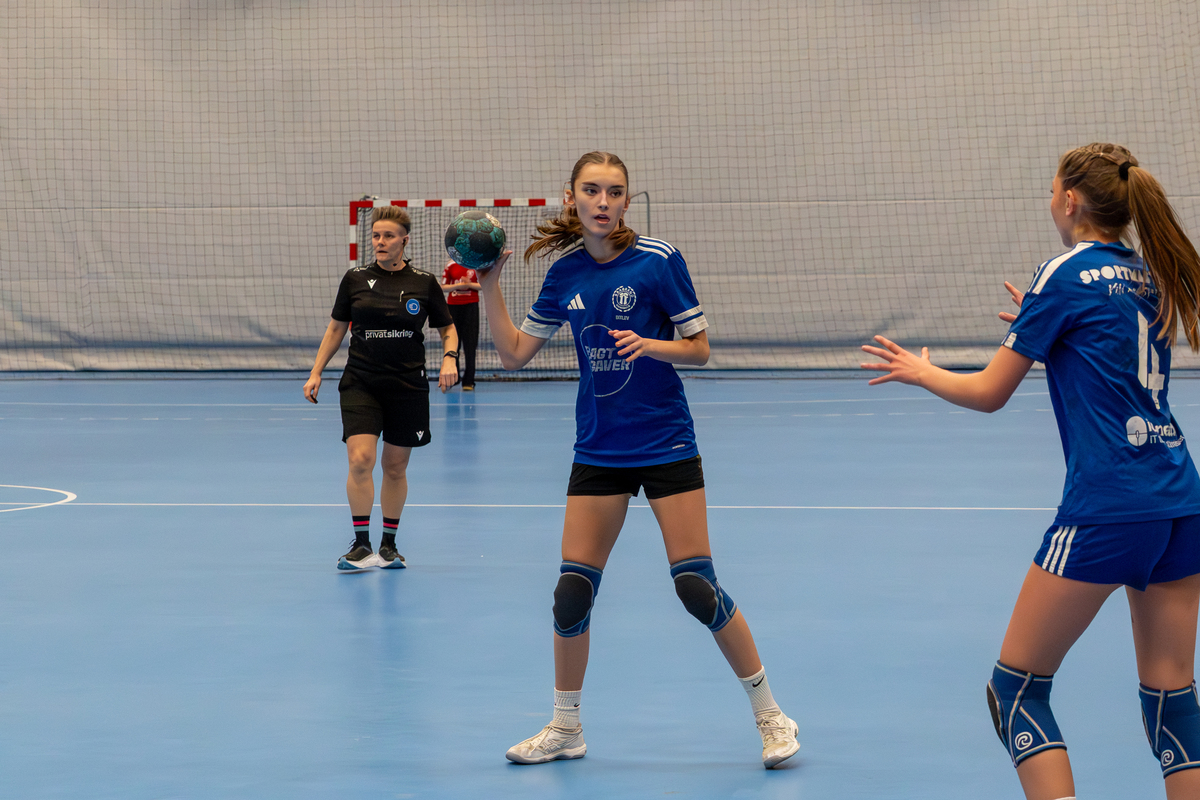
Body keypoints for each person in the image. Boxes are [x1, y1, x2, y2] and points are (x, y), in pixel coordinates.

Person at [861, 143, 1200, 800]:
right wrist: (1044, 326)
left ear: (1070, 200)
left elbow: (990, 392)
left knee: (1017, 691)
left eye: (1051, 191)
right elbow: (1104, 353)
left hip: (1108, 506)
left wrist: (921, 370)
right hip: (1181, 504)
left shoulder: (1063, 273)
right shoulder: (1148, 274)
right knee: (1173, 702)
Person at [477, 151, 800, 769]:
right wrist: (489, 285)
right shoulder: (565, 274)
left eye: (614, 192)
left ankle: (771, 715)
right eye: (591, 190)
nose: (603, 202)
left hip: (664, 442)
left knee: (696, 586)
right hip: (599, 448)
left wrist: (649, 345)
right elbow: (514, 353)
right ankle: (565, 727)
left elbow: (699, 349)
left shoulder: (658, 260)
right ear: (571, 197)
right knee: (571, 594)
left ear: (627, 201)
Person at [304, 206, 460, 571]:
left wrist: (449, 358)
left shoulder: (424, 282)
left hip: (408, 385)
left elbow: (447, 328)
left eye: (388, 236)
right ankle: (361, 545)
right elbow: (336, 328)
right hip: (361, 382)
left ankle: (389, 546)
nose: (380, 242)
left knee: (394, 466)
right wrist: (316, 371)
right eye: (376, 236)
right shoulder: (355, 278)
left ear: (405, 240)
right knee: (361, 459)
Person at [440, 259, 481, 390]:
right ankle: (454, 377)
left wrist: (469, 284)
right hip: (453, 307)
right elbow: (443, 286)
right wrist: (458, 286)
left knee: (470, 344)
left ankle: (469, 381)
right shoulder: (451, 265)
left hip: (471, 306)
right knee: (453, 343)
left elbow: (483, 285)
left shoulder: (475, 263)